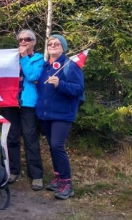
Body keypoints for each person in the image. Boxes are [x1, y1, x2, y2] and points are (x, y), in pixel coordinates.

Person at [35, 34, 84, 200]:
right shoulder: (45, 66)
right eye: (50, 43)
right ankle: (57, 177)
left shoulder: (70, 65)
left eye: (57, 43)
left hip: (62, 114)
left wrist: (60, 84)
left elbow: (78, 89)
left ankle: (67, 183)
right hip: (45, 114)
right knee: (52, 146)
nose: (53, 45)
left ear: (63, 47)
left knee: (57, 146)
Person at [4, 30, 44, 191]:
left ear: (34, 42)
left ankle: (36, 175)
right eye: (20, 39)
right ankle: (14, 171)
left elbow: (33, 76)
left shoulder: (38, 59)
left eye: (27, 39)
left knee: (30, 137)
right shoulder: (11, 57)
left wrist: (24, 57)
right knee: (12, 138)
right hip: (11, 102)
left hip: (28, 103)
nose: (23, 42)